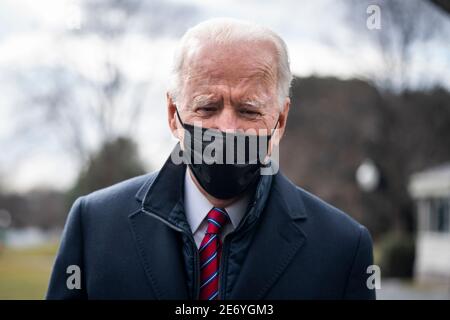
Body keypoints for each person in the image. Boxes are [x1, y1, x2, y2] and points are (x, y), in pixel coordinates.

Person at [47, 18, 376, 300]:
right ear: (173, 114)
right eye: (207, 107)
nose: (228, 129)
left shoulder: (342, 248)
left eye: (248, 110)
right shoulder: (95, 227)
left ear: (280, 121)